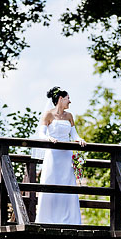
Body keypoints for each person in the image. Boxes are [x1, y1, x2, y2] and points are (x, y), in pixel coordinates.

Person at [34, 86, 86, 225]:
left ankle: (69, 220)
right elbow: (41, 133)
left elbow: (73, 134)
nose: (70, 102)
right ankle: (47, 219)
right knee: (51, 182)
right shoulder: (48, 114)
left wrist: (79, 139)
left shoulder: (69, 116)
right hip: (53, 154)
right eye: (68, 98)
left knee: (67, 183)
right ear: (61, 99)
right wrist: (48, 139)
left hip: (66, 155)